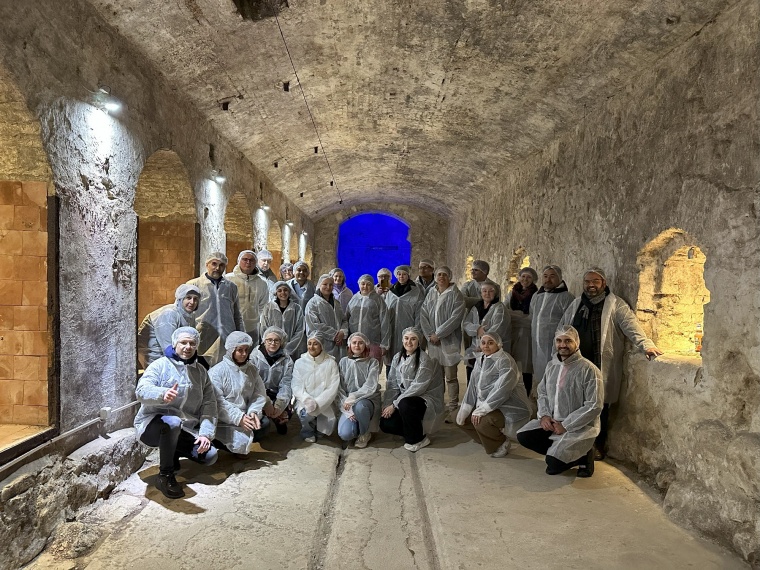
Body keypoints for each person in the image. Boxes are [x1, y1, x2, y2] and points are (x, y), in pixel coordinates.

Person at [558, 268, 662, 458]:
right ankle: (573, 443)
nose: (591, 285)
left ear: (603, 283)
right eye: (587, 281)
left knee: (598, 407)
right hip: (576, 365)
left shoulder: (615, 304)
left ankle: (596, 446)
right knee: (575, 404)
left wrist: (646, 345)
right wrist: (556, 355)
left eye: (595, 281)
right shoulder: (576, 305)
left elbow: (630, 326)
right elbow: (562, 330)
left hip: (600, 366)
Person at [134, 327, 218, 499]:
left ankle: (173, 453)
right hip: (153, 425)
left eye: (192, 343)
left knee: (210, 455)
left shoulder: (200, 372)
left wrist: (206, 434)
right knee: (172, 422)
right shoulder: (160, 365)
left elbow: (209, 404)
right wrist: (161, 394)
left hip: (184, 428)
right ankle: (165, 476)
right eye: (183, 342)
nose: (188, 347)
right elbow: (141, 390)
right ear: (174, 344)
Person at [517, 326, 603, 478]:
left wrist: (566, 425)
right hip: (554, 422)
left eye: (568, 341)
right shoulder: (552, 366)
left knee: (553, 466)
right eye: (559, 341)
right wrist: (544, 416)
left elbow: (594, 405)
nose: (562, 345)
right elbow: (542, 392)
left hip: (578, 426)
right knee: (524, 436)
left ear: (577, 343)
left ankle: (585, 455)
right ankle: (561, 450)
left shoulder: (589, 370)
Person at [456, 332, 531, 457]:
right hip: (488, 404)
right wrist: (465, 408)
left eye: (490, 343)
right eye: (483, 343)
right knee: (457, 417)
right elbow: (472, 387)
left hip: (508, 407)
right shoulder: (481, 359)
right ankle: (487, 439)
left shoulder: (505, 361)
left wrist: (482, 410)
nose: (486, 346)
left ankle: (501, 443)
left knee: (481, 421)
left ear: (498, 345)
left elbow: (503, 391)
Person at [380, 327, 445, 452]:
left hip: (422, 398)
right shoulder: (397, 357)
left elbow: (418, 387)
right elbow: (392, 383)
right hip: (404, 399)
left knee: (405, 404)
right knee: (385, 423)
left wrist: (394, 404)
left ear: (419, 342)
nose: (409, 342)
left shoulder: (424, 360)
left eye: (413, 339)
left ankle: (418, 439)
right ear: (402, 340)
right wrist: (387, 403)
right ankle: (413, 430)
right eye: (406, 338)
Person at [209, 332, 269, 455]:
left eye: (246, 350)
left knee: (265, 425)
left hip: (245, 415)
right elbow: (217, 402)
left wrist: (253, 412)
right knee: (240, 444)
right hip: (224, 419)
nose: (244, 354)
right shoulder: (217, 372)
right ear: (231, 350)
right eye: (240, 350)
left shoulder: (251, 369)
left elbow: (259, 394)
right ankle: (218, 442)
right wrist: (238, 418)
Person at [420, 266, 466, 413]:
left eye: (444, 275)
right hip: (433, 342)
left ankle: (453, 407)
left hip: (449, 341)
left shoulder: (456, 295)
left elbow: (455, 318)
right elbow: (423, 314)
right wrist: (429, 334)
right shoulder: (431, 293)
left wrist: (438, 334)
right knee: (437, 377)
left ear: (449, 277)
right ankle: (439, 404)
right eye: (439, 274)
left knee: (451, 377)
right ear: (435, 277)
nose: (441, 277)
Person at [187, 252, 244, 366]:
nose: (217, 268)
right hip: (203, 336)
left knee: (227, 368)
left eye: (221, 265)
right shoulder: (194, 285)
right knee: (203, 368)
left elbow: (237, 314)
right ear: (207, 264)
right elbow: (186, 313)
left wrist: (240, 335)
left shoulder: (231, 287)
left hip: (227, 335)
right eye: (214, 264)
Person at [530, 265, 574, 390]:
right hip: (537, 343)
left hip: (556, 344)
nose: (548, 279)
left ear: (559, 278)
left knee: (555, 374)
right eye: (545, 276)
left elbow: (569, 322)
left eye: (552, 276)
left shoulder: (566, 297)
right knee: (539, 372)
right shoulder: (537, 296)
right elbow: (532, 316)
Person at [137, 284, 200, 369]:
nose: (192, 302)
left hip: (173, 355)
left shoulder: (188, 315)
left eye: (195, 299)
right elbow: (168, 348)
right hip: (156, 356)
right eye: (188, 298)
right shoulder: (169, 314)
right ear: (180, 299)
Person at [292, 333, 341, 443]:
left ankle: (318, 428)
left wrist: (318, 403)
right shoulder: (299, 362)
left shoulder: (331, 363)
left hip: (325, 402)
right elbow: (296, 385)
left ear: (321, 345)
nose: (311, 347)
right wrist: (306, 399)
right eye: (309, 343)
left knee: (323, 428)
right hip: (306, 401)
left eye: (315, 344)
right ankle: (307, 431)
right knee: (305, 414)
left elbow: (333, 387)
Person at [337, 332, 381, 448]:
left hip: (367, 400)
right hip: (348, 403)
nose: (357, 345)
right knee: (345, 434)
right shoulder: (343, 362)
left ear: (365, 345)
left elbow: (370, 386)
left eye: (360, 343)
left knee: (361, 407)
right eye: (354, 343)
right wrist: (346, 409)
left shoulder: (373, 362)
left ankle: (364, 433)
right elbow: (339, 388)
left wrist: (354, 397)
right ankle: (359, 424)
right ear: (349, 345)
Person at [462, 281, 510, 383]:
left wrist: (483, 344)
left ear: (495, 293)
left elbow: (498, 328)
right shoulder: (476, 307)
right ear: (481, 293)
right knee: (472, 380)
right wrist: (477, 329)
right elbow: (466, 323)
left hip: (492, 351)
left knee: (488, 381)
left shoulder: (500, 308)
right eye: (484, 291)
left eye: (490, 291)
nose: (487, 293)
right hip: (475, 350)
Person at [250, 326, 295, 435]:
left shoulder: (287, 360)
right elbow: (253, 383)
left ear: (281, 342)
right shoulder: (254, 357)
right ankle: (263, 418)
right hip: (257, 394)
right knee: (260, 426)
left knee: (285, 414)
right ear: (264, 341)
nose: (273, 343)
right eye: (269, 340)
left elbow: (286, 384)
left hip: (276, 394)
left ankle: (277, 418)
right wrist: (266, 403)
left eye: (276, 340)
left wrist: (279, 405)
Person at [385, 264, 425, 372]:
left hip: (408, 330)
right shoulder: (391, 291)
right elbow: (385, 311)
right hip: (392, 331)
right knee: (391, 361)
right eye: (399, 274)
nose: (401, 276)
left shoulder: (416, 291)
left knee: (408, 358)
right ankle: (391, 381)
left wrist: (416, 332)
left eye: (404, 274)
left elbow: (419, 313)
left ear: (408, 275)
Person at [225, 250, 270, 345]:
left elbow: (263, 305)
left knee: (251, 351)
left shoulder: (262, 282)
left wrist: (257, 320)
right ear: (239, 261)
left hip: (252, 327)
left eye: (251, 260)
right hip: (231, 326)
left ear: (256, 262)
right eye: (245, 259)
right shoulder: (228, 279)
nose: (248, 262)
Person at [505, 267, 539, 395]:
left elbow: (532, 317)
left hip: (527, 334)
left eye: (528, 277)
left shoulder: (536, 294)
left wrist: (514, 315)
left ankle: (527, 394)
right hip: (512, 332)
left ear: (533, 279)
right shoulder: (513, 292)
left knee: (526, 366)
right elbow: (505, 310)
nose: (525, 279)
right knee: (512, 363)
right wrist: (520, 315)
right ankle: (512, 394)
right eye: (523, 276)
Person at [345, 274, 391, 364]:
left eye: (368, 284)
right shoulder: (354, 299)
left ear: (372, 285)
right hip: (355, 343)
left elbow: (385, 322)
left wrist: (385, 344)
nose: (365, 286)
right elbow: (346, 317)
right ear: (359, 284)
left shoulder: (378, 300)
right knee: (356, 367)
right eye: (363, 284)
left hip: (372, 342)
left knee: (372, 367)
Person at [304, 274, 349, 360]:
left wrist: (342, 332)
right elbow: (314, 325)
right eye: (325, 284)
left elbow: (344, 320)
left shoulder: (336, 303)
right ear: (319, 285)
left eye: (331, 285)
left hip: (339, 344)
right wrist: (335, 335)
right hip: (322, 344)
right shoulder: (312, 304)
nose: (328, 287)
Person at [259, 280, 306, 360]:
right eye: (279, 291)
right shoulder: (268, 308)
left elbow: (300, 330)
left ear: (289, 292)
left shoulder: (296, 308)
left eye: (285, 290)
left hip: (292, 349)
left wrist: (289, 347)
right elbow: (264, 328)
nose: (283, 293)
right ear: (275, 293)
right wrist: (270, 344)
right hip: (272, 346)